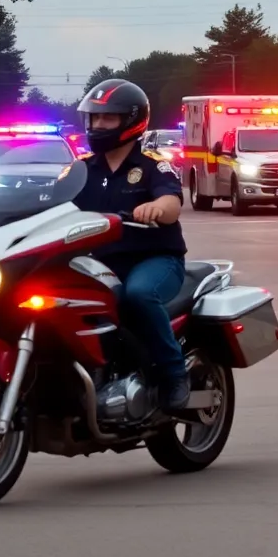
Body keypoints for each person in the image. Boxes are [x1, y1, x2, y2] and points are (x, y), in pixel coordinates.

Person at [72, 78, 190, 414]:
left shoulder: (152, 164)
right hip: (99, 263)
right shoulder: (81, 169)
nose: (97, 125)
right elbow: (52, 204)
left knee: (137, 294)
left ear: (131, 120)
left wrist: (158, 208)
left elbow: (171, 202)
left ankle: (173, 373)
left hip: (154, 258)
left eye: (107, 118)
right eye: (93, 118)